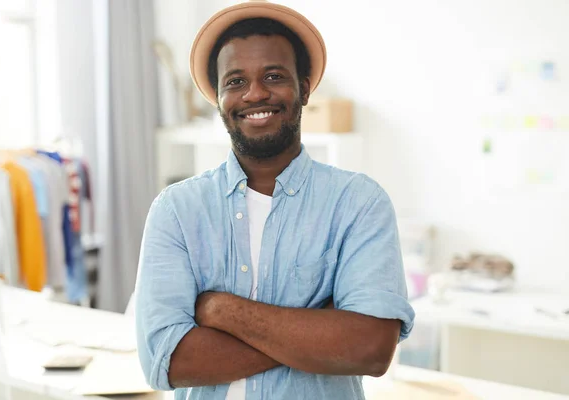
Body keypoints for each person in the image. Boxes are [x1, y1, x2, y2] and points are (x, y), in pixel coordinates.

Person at [135, 2, 415, 399]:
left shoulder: (358, 203)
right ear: (217, 98)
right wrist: (319, 332)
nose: (255, 93)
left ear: (304, 88)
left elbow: (369, 348)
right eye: (235, 81)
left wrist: (221, 311)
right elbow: (167, 361)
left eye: (273, 76)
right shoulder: (177, 211)